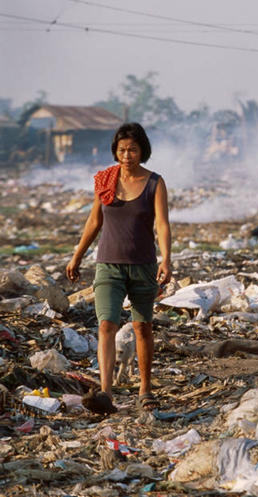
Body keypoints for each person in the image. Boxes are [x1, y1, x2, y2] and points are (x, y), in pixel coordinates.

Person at [66, 123, 172, 414]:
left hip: (143, 266)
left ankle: (145, 390)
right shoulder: (105, 180)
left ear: (142, 151)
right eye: (122, 150)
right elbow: (94, 222)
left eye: (133, 150)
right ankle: (106, 393)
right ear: (115, 151)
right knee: (106, 325)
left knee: (142, 327)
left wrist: (166, 259)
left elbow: (162, 224)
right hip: (108, 265)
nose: (127, 155)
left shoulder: (154, 183)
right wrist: (77, 256)